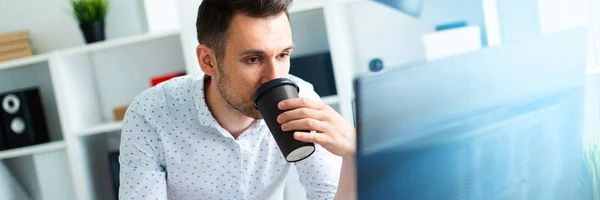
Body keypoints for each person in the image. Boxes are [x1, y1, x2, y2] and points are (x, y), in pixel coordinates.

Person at [118, 0, 356, 199]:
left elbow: (327, 194)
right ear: (208, 60)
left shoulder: (301, 100)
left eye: (283, 55)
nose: (274, 78)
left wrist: (353, 155)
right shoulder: (150, 114)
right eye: (253, 59)